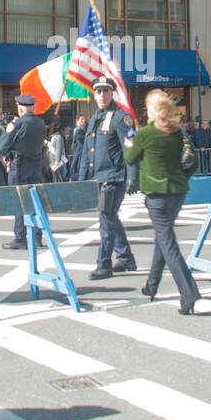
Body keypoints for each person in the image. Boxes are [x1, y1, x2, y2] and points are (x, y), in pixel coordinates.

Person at [124, 89, 200, 315]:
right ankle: (152, 285)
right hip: (177, 191)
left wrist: (129, 144)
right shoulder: (177, 132)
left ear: (152, 110)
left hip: (157, 195)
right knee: (162, 238)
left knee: (167, 243)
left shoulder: (146, 133)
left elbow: (130, 158)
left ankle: (188, 292)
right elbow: (191, 160)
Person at [77, 78, 138, 277]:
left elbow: (130, 148)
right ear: (94, 95)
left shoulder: (121, 117)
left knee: (106, 220)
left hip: (114, 177)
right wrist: (82, 178)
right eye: (98, 92)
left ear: (112, 93)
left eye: (105, 91)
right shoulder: (95, 117)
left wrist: (132, 176)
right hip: (99, 177)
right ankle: (126, 258)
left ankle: (104, 264)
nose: (102, 95)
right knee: (110, 217)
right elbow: (88, 150)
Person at [0, 94, 49, 251]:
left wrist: (8, 131)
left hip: (19, 166)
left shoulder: (18, 123)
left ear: (19, 107)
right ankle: (37, 237)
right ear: (32, 107)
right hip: (36, 165)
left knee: (19, 202)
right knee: (36, 202)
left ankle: (20, 237)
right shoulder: (41, 123)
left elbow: (1, 148)